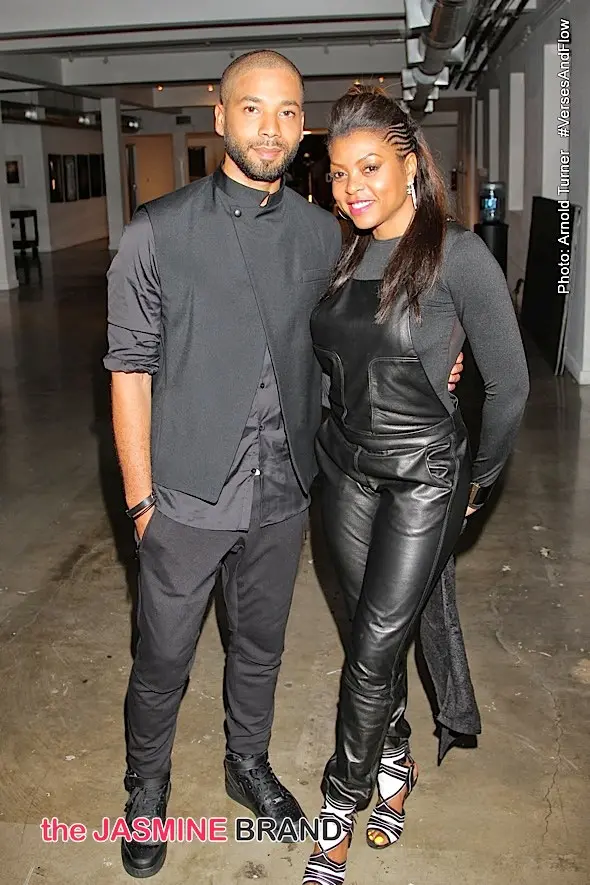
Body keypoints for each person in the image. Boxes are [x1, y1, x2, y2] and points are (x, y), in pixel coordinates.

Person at [104, 51, 463, 879]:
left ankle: (247, 762)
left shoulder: (321, 233)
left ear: (304, 126)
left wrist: (439, 357)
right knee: (161, 660)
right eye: (253, 109)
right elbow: (128, 371)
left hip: (283, 486)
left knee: (259, 647)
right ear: (220, 116)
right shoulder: (157, 230)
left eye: (290, 112)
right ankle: (147, 789)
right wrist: (142, 504)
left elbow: (367, 326)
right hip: (185, 495)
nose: (272, 128)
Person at [302, 86, 529, 885]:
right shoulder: (345, 253)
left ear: (410, 165)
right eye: (338, 173)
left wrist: (478, 484)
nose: (351, 187)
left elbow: (510, 385)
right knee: (372, 637)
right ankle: (396, 755)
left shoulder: (458, 255)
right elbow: (335, 366)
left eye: (369, 167)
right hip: (346, 470)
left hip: (423, 478)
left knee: (369, 648)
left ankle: (340, 802)